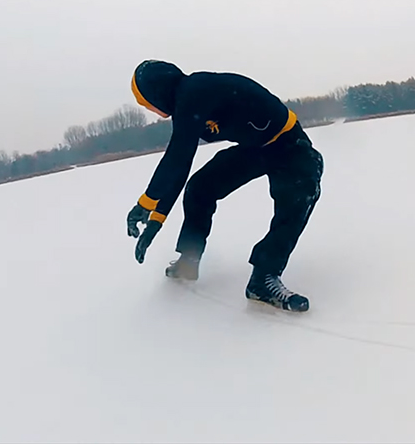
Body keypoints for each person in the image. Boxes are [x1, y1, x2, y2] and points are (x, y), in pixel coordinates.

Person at [125, 60, 324, 312]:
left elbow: (178, 157)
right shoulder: (186, 104)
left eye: (146, 103)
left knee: (298, 197)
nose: (151, 109)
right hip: (255, 149)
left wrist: (145, 203)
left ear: (156, 92)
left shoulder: (194, 90)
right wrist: (156, 218)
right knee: (200, 188)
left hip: (289, 144)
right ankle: (189, 258)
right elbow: (180, 167)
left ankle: (264, 277)